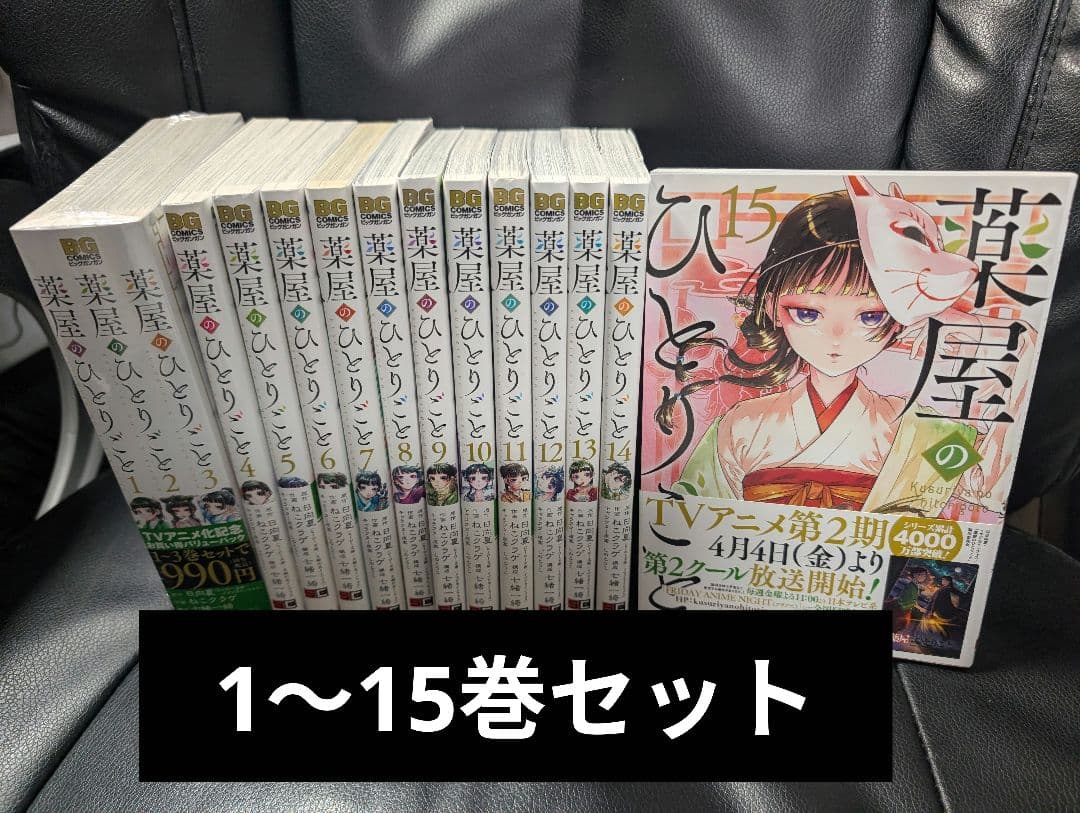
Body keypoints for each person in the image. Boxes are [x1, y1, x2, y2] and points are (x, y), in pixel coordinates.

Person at [669, 177, 1031, 517]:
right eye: (808, 313)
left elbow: (986, 488)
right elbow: (690, 517)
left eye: (870, 316)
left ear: (900, 319)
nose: (837, 336)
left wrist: (1000, 338)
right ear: (772, 306)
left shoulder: (918, 430)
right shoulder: (741, 424)